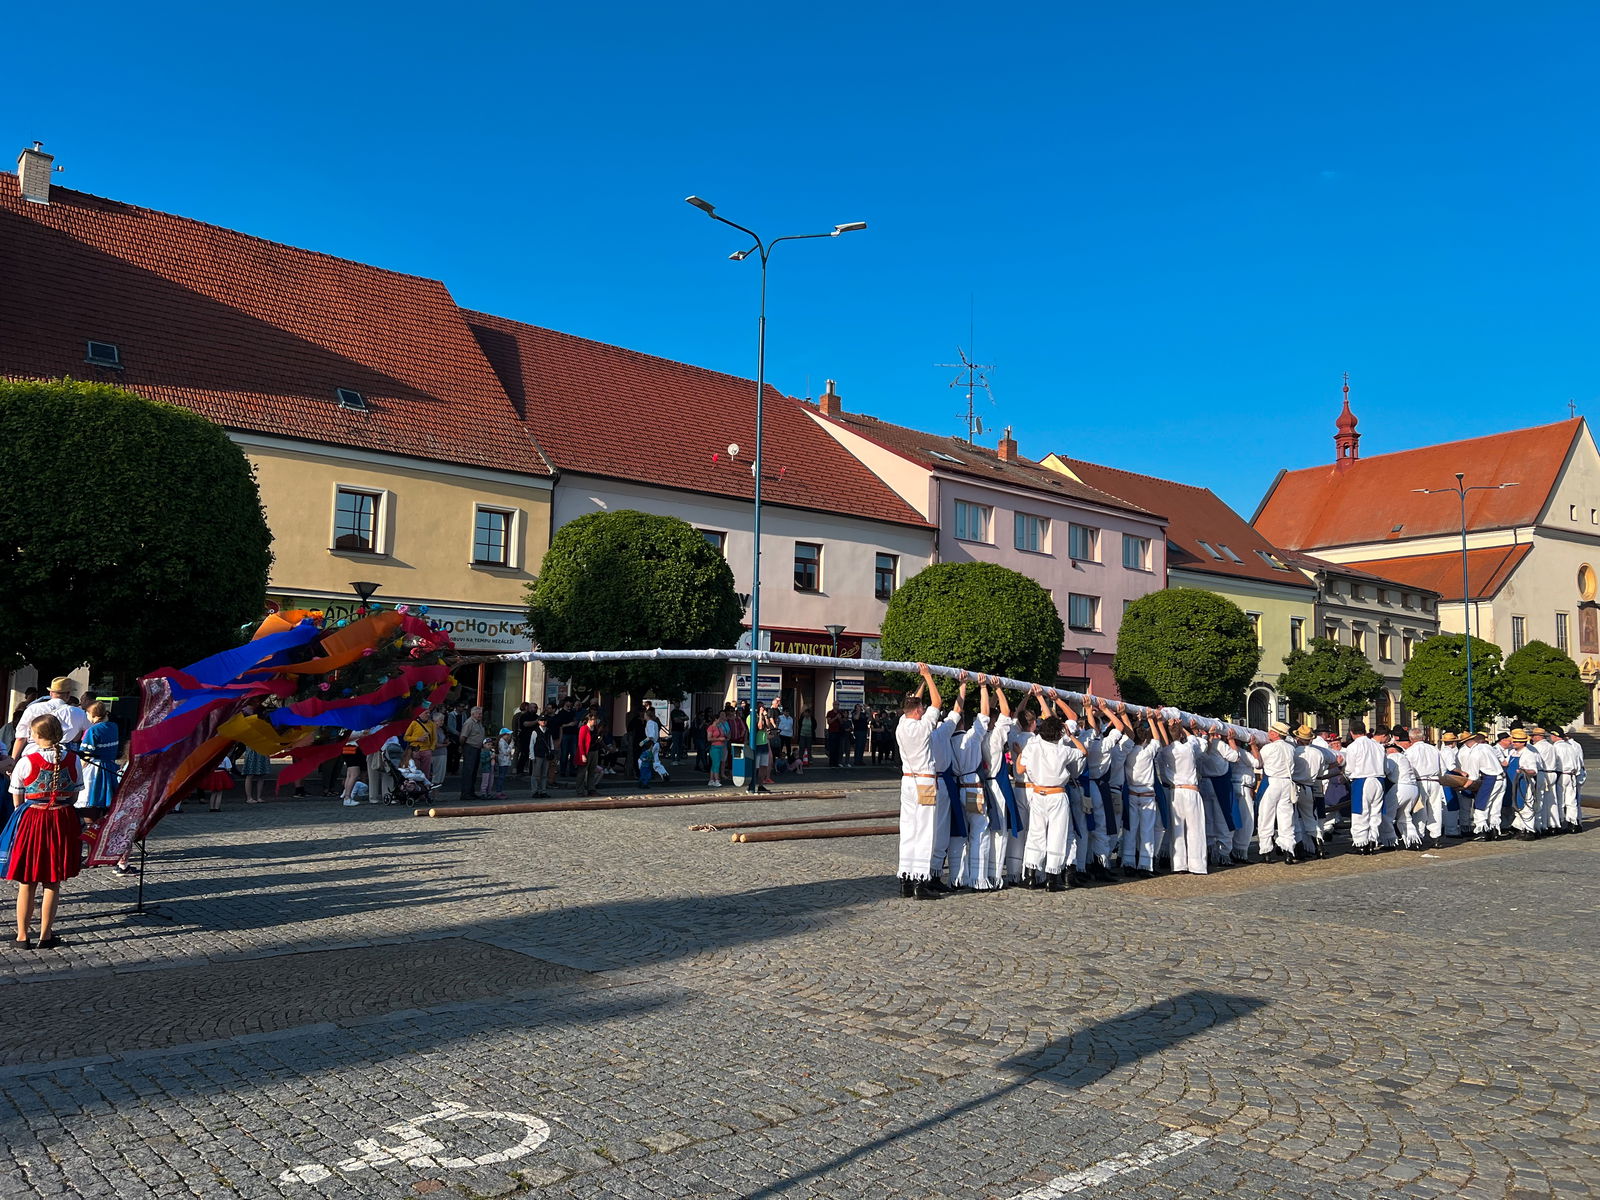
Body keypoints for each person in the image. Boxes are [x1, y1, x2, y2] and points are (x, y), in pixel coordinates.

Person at [3, 715, 83, 948]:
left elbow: (17, 799)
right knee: (52, 881)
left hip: (33, 819)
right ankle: (45, 935)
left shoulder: (27, 760)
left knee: (27, 881)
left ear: (38, 736)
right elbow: (75, 796)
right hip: (62, 819)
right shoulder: (73, 759)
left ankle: (21, 936)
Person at [1019, 688, 1086, 891]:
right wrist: (1071, 736)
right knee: (1057, 835)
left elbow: (1021, 767)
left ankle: (1030, 876)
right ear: (1059, 732)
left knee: (1036, 834)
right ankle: (1052, 878)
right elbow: (1084, 752)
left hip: (1038, 793)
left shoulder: (1033, 745)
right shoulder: (1063, 749)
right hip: (1057, 795)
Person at [894, 664, 949, 899]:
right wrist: (928, 677)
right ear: (919, 711)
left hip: (907, 781)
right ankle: (920, 882)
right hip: (925, 781)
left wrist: (923, 683)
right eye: (921, 708)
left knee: (908, 830)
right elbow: (938, 702)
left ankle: (905, 879)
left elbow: (915, 703)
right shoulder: (924, 726)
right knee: (925, 831)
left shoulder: (900, 725)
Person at [1151, 716, 1207, 875]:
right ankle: (1197, 865)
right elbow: (1196, 741)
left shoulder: (1165, 751)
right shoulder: (1188, 748)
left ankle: (1178, 864)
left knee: (1177, 830)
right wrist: (1182, 726)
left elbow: (1162, 744)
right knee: (1195, 828)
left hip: (1175, 791)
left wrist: (1165, 726)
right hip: (1190, 790)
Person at [11, 677, 90, 761]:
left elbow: (21, 738)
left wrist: (13, 761)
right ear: (68, 694)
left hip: (34, 754)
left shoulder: (33, 709)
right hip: (63, 756)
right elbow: (88, 732)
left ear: (51, 693)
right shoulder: (78, 712)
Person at [1343, 722, 1386, 854]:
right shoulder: (1377, 746)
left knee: (1360, 812)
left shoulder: (1353, 746)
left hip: (1362, 780)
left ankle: (1361, 843)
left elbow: (1350, 768)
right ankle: (1373, 840)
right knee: (1375, 812)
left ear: (1351, 732)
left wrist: (1347, 775)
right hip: (1379, 779)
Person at [1401, 727, 1445, 850]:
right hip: (1435, 780)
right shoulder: (1433, 749)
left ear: (1410, 739)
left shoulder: (1410, 752)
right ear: (1423, 737)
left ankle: (1418, 837)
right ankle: (1436, 837)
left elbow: (1408, 769)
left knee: (1420, 810)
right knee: (1435, 809)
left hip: (1419, 780)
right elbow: (1443, 768)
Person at [79, 702, 121, 810]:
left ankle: (90, 825)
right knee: (107, 801)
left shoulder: (93, 731)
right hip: (110, 767)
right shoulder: (114, 726)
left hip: (95, 769)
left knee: (90, 801)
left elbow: (86, 756)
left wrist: (78, 771)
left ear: (93, 715)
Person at [459, 706, 486, 801]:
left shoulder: (479, 723)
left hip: (477, 748)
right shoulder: (469, 723)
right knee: (468, 771)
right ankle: (465, 793)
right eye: (479, 714)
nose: (480, 715)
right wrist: (463, 747)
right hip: (470, 748)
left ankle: (471, 792)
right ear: (473, 714)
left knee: (474, 772)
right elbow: (463, 737)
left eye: (481, 713)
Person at [405, 708, 438, 783]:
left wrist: (431, 749)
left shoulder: (431, 724)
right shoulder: (414, 723)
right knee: (416, 773)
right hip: (415, 751)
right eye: (426, 713)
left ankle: (424, 791)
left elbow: (434, 738)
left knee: (426, 773)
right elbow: (406, 737)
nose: (428, 715)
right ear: (420, 714)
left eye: (429, 713)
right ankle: (416, 790)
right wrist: (418, 739)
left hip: (427, 751)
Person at [575, 710, 603, 797]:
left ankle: (591, 789)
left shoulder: (595, 728)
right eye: (593, 720)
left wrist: (599, 740)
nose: (595, 721)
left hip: (594, 751)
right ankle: (580, 790)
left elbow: (594, 739)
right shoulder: (583, 728)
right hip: (586, 752)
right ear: (589, 720)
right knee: (582, 772)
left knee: (592, 771)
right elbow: (580, 742)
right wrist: (583, 754)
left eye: (595, 719)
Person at [707, 706, 732, 788]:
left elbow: (725, 734)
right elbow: (709, 738)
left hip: (721, 746)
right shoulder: (711, 727)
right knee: (716, 764)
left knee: (715, 764)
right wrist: (719, 738)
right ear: (716, 720)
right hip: (715, 747)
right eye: (719, 719)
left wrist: (725, 737)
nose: (720, 721)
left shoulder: (719, 727)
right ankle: (717, 780)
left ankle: (711, 780)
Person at [529, 715, 554, 798]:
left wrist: (552, 751)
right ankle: (534, 791)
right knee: (535, 774)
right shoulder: (535, 731)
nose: (543, 721)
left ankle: (543, 791)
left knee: (544, 775)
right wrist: (532, 756)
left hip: (546, 755)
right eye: (541, 720)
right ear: (539, 722)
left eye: (545, 720)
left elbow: (551, 742)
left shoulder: (548, 731)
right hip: (538, 755)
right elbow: (531, 744)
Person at [513, 702, 539, 777]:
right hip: (524, 737)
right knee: (524, 754)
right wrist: (536, 721)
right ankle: (519, 770)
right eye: (534, 707)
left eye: (536, 708)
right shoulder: (524, 716)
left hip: (534, 737)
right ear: (530, 708)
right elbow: (526, 724)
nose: (535, 709)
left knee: (532, 755)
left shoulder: (536, 716)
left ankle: (531, 771)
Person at [338, 732, 365, 806]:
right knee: (354, 774)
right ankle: (347, 797)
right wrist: (360, 735)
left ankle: (346, 794)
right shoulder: (351, 727)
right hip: (352, 749)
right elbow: (346, 737)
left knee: (350, 774)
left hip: (350, 749)